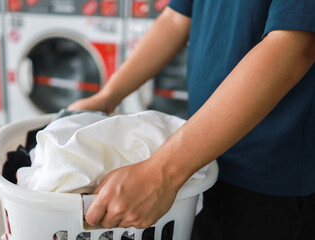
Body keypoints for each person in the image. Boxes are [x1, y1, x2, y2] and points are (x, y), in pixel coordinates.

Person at [68, 0, 315, 239]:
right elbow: (176, 18)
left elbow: (294, 44)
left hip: (270, 175)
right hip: (198, 158)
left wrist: (162, 173)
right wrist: (108, 97)